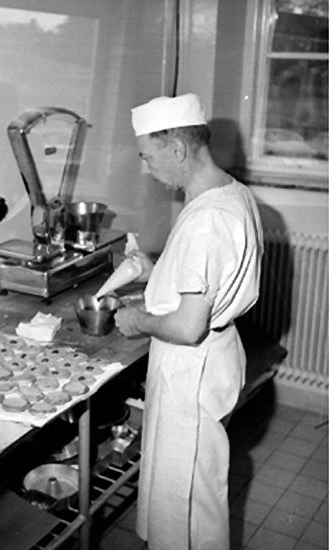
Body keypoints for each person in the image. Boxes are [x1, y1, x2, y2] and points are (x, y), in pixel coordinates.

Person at [115, 93, 263, 550]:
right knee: (186, 492)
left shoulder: (207, 219)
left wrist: (137, 320)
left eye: (147, 156)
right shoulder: (229, 193)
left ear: (177, 149)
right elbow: (208, 279)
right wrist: (157, 270)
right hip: (210, 361)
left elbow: (186, 326)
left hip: (191, 368)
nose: (146, 169)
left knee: (186, 505)